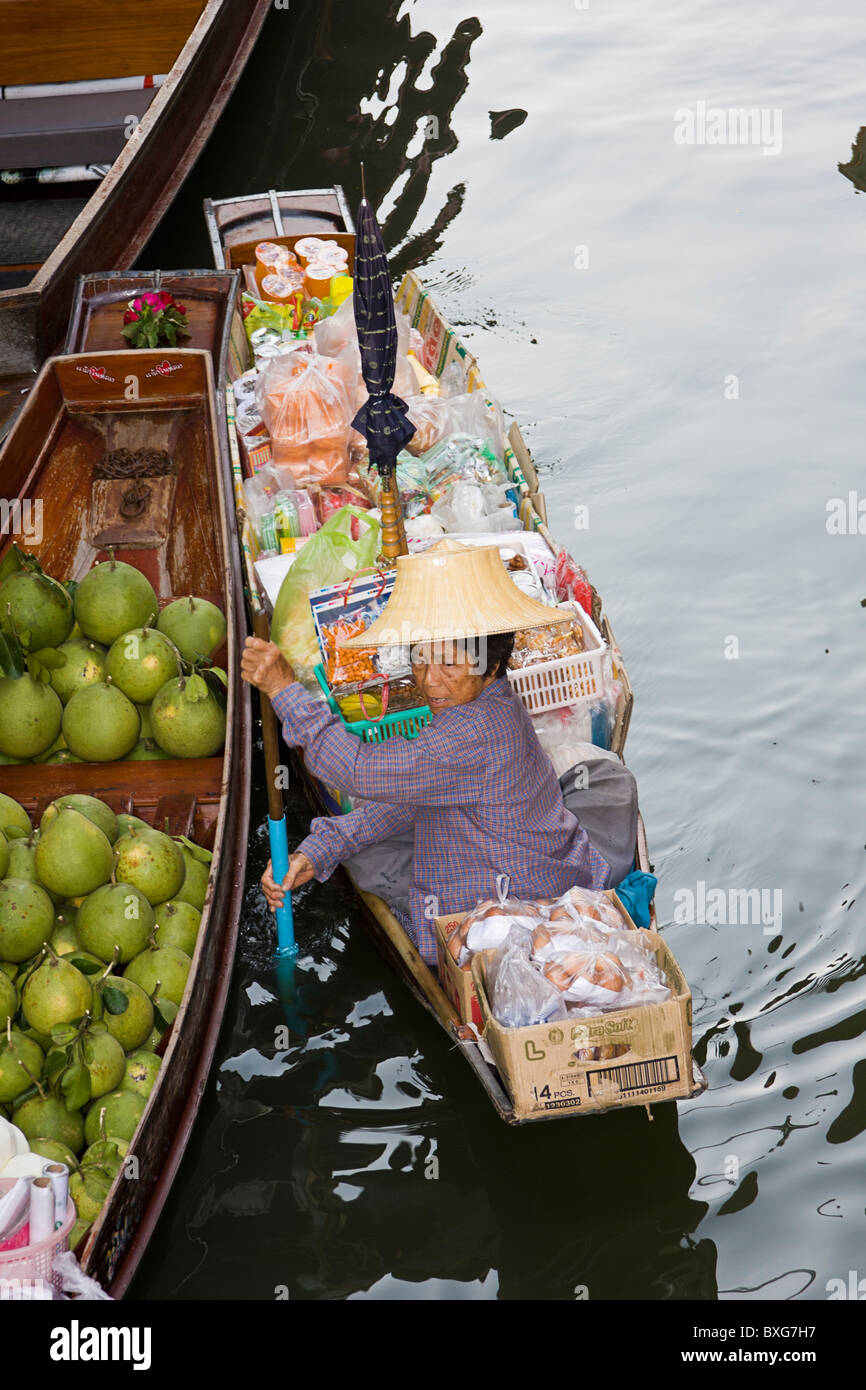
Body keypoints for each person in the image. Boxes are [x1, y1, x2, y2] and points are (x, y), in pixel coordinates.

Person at [240, 540, 613, 967]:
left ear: (490, 666)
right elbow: (413, 794)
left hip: (519, 901)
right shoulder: (488, 702)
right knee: (363, 845)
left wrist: (285, 690)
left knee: (373, 863)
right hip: (539, 860)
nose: (429, 682)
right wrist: (325, 845)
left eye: (449, 665)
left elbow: (357, 770)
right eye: (420, 659)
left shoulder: (470, 732)